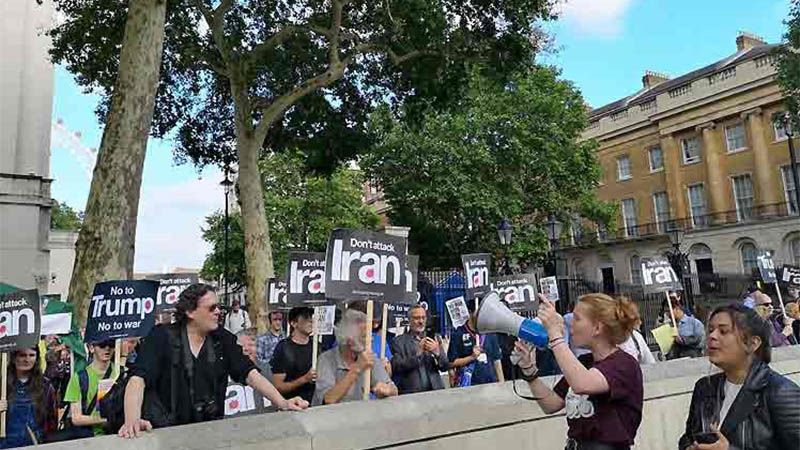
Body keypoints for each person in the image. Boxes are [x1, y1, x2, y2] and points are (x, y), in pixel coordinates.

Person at [118, 283, 307, 438]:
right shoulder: (161, 337)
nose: (218, 312)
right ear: (190, 312)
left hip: (210, 432)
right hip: (167, 433)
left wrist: (282, 403)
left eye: (219, 307)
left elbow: (250, 373)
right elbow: (138, 379)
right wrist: (132, 420)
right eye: (211, 308)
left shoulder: (222, 338)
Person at [513, 293, 643, 450]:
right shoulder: (584, 362)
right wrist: (529, 370)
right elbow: (551, 404)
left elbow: (582, 384)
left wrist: (555, 335)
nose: (570, 324)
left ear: (597, 328)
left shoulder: (623, 364)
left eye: (577, 318)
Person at [678, 304, 800, 449]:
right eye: (710, 330)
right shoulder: (704, 387)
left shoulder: (780, 392)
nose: (712, 336)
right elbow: (689, 437)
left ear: (753, 343)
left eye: (723, 331)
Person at [313, 309, 398, 405]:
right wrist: (356, 369)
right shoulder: (326, 359)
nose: (371, 339)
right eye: (364, 336)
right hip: (330, 413)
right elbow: (329, 399)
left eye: (370, 335)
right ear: (349, 341)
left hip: (360, 412)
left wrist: (388, 390)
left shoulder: (369, 357)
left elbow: (394, 390)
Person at [0, 347, 58, 448]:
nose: (27, 360)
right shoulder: (2, 385)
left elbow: (52, 420)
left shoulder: (46, 386)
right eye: (22, 355)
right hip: (5, 444)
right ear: (14, 358)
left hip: (35, 444)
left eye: (31, 355)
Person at [64, 339, 118, 437]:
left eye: (111, 344)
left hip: (119, 435)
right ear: (91, 348)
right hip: (91, 437)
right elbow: (76, 418)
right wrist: (106, 420)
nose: (107, 348)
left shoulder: (122, 373)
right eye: (102, 344)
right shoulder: (79, 378)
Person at [391, 305, 448, 394]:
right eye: (416, 318)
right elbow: (397, 367)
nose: (421, 321)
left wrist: (437, 353)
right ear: (409, 320)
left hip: (436, 392)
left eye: (423, 318)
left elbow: (445, 366)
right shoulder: (398, 342)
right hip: (412, 394)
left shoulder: (434, 338)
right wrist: (417, 354)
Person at [270, 307, 317, 404]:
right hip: (293, 405)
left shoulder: (318, 347)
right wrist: (304, 379)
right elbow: (278, 387)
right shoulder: (283, 348)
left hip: (316, 404)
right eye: (305, 318)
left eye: (312, 318)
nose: (311, 322)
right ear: (293, 323)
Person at [448, 307, 504, 386]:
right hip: (468, 384)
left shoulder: (490, 332)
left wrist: (502, 384)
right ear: (470, 312)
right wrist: (471, 357)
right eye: (479, 312)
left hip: (491, 384)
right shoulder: (458, 333)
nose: (482, 315)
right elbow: (451, 363)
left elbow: (497, 360)